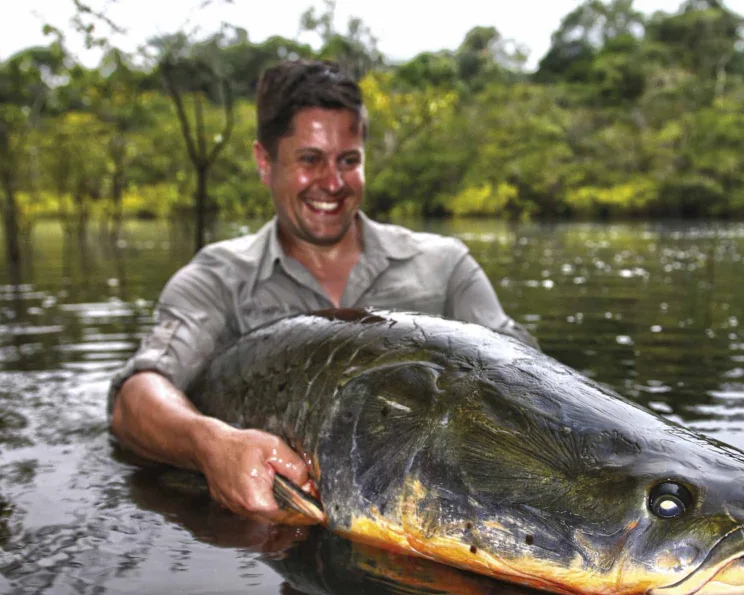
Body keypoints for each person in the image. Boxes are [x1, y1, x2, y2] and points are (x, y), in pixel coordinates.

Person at [109, 59, 535, 524]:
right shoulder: (217, 278)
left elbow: (528, 380)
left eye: (348, 161)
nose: (332, 184)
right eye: (310, 160)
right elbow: (138, 398)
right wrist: (211, 445)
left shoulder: (445, 266)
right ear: (264, 162)